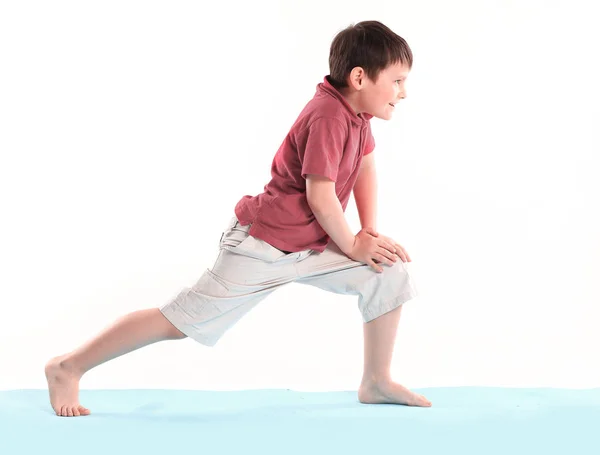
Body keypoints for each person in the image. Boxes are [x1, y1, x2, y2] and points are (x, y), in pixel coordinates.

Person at [45, 20, 432, 417]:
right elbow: (320, 196)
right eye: (398, 81)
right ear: (359, 78)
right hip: (261, 246)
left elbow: (365, 165)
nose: (403, 92)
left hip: (310, 245)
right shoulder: (329, 116)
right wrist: (352, 244)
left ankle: (376, 381)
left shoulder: (357, 115)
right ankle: (67, 367)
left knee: (389, 272)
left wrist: (367, 231)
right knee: (177, 322)